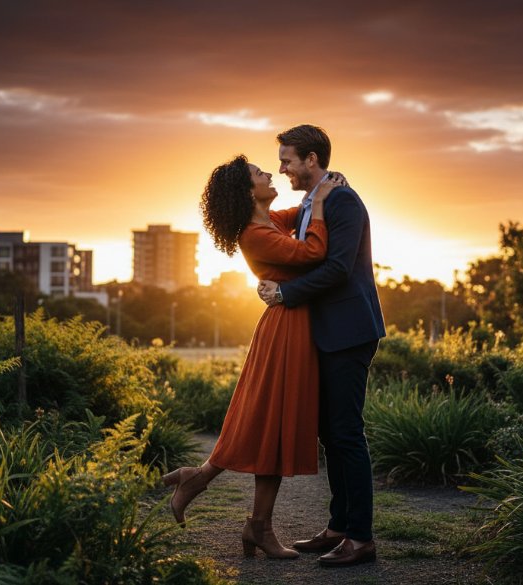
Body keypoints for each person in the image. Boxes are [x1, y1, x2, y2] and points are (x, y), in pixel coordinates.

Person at [162, 154, 345, 559]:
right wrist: (318, 204)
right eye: (258, 173)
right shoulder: (254, 233)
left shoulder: (269, 221)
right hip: (284, 332)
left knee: (272, 426)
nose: (268, 173)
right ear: (248, 192)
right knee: (269, 423)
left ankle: (245, 516)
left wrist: (324, 187)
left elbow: (300, 212)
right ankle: (249, 519)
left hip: (293, 329)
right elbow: (313, 251)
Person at [258, 124, 386, 567]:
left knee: (347, 433)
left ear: (312, 160)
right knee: (332, 434)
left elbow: (337, 268)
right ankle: (338, 526)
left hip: (349, 330)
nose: (282, 168)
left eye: (287, 160)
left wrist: (285, 294)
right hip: (328, 331)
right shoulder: (313, 202)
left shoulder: (344, 201)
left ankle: (362, 538)